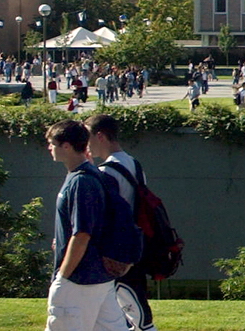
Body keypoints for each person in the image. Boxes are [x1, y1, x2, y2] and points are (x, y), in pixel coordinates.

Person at [44, 119, 126, 331]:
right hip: (101, 278)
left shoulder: (81, 182)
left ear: (66, 146)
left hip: (79, 280)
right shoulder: (91, 175)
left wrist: (62, 277)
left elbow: (82, 235)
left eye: (52, 143)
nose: (49, 148)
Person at [85, 114, 157, 331]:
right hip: (137, 244)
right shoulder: (134, 163)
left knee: (131, 311)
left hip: (116, 251)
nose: (85, 144)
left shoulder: (106, 172)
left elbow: (103, 214)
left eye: (87, 137)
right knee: (135, 306)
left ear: (100, 136)